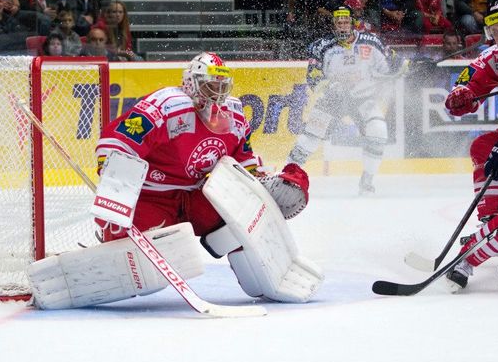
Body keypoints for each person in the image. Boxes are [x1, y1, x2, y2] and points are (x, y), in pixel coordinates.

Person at [26, 52, 322, 310]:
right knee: (137, 254)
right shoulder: (167, 105)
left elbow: (242, 158)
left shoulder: (233, 114)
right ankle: (108, 243)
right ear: (192, 83)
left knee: (239, 221)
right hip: (153, 198)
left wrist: (260, 183)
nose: (217, 93)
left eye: (222, 85)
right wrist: (115, 181)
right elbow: (118, 142)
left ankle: (266, 280)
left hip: (199, 196)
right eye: (210, 85)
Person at [287, 6, 398, 195]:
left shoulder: (372, 42)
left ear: (353, 23)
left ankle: (367, 181)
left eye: (346, 21)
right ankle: (287, 176)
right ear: (333, 24)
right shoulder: (322, 46)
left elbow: (389, 66)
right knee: (310, 137)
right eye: (338, 22)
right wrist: (330, 86)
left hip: (363, 98)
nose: (342, 25)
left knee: (378, 131)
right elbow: (313, 76)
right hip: (333, 99)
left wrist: (401, 67)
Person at [443, 1, 498, 290]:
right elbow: (469, 85)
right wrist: (460, 97)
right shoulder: (496, 57)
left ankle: (471, 255)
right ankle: (492, 222)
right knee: (484, 147)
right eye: (496, 28)